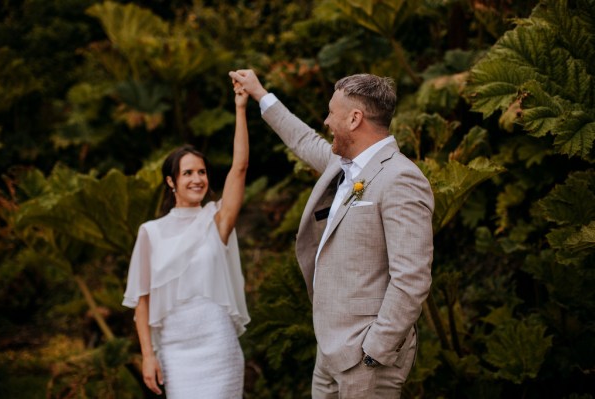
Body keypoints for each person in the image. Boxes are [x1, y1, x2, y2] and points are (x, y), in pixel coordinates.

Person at [229, 69, 434, 399]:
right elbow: (304, 139)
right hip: (329, 350)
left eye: (331, 113)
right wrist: (259, 93)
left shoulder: (400, 178)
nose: (326, 121)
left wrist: (375, 349)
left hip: (366, 358)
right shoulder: (343, 165)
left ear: (354, 119)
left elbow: (411, 278)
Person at [122, 80, 251, 398]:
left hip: (218, 346)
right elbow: (142, 301)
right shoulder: (150, 232)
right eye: (188, 173)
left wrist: (240, 109)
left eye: (202, 172)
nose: (197, 179)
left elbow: (239, 167)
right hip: (175, 351)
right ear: (171, 181)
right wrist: (148, 355)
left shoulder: (216, 221)